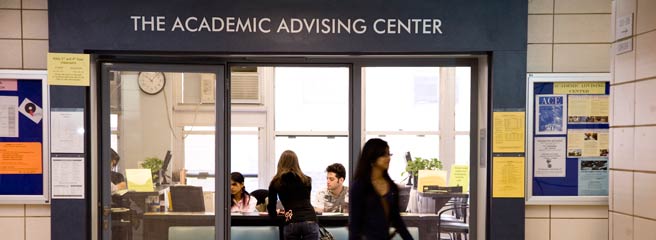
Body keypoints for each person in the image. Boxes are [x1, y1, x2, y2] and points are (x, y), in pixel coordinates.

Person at [349, 138, 412, 240]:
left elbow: (397, 221)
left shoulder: (392, 187)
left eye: (388, 154)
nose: (388, 158)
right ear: (372, 157)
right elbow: (355, 225)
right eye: (384, 155)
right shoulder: (359, 186)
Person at [268, 150, 319, 240]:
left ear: (280, 163)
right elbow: (305, 201)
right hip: (310, 219)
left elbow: (271, 206)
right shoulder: (306, 180)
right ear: (296, 163)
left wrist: (276, 217)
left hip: (291, 221)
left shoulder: (276, 181)